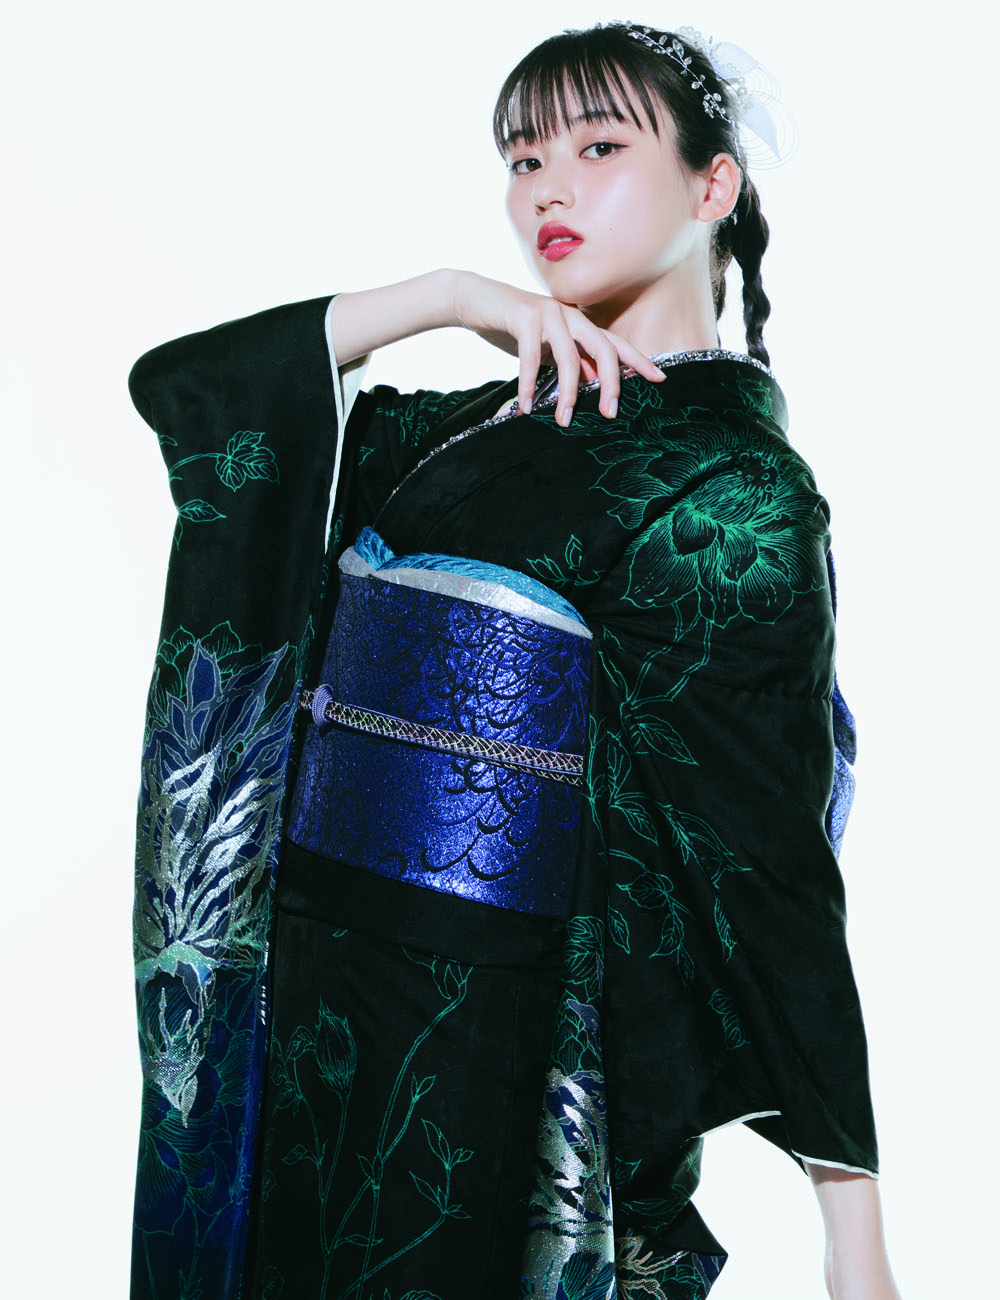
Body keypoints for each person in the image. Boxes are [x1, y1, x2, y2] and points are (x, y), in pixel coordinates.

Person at [127, 20, 901, 1300]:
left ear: (712, 186)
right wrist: (447, 295)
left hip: (488, 1034)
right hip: (311, 984)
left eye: (598, 148)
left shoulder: (734, 487)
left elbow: (761, 855)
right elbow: (190, 388)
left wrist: (850, 1222)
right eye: (523, 157)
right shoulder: (461, 426)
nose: (547, 187)